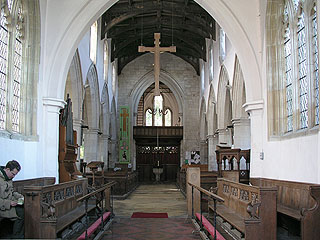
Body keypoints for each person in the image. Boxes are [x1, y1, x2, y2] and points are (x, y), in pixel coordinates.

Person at [0, 160, 24, 238]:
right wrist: (9, 203)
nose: (13, 177)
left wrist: (20, 196)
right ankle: (17, 236)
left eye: (15, 175)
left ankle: (18, 236)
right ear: (7, 169)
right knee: (21, 213)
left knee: (25, 209)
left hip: (8, 205)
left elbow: (12, 192)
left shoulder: (8, 178)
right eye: (13, 174)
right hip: (3, 207)